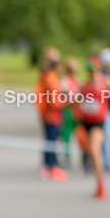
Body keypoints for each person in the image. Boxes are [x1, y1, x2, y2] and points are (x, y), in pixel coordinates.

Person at [72, 57, 110, 199]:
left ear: (99, 69)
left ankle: (101, 186)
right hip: (86, 121)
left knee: (94, 149)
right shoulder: (84, 85)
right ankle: (98, 184)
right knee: (91, 153)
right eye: (89, 70)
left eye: (94, 70)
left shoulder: (106, 82)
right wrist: (78, 110)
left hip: (99, 122)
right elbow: (77, 100)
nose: (92, 73)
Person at [35, 48, 67, 181]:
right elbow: (54, 101)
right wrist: (66, 102)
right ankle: (50, 166)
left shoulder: (51, 76)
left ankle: (51, 165)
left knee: (51, 140)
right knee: (51, 141)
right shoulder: (50, 78)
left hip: (52, 115)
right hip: (51, 115)